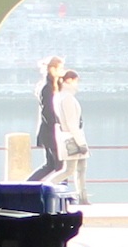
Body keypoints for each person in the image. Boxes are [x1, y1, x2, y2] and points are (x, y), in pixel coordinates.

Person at [53, 65, 88, 200]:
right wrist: (81, 143)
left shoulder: (60, 96)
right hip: (72, 137)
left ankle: (83, 197)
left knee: (80, 168)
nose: (77, 83)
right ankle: (45, 187)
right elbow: (72, 122)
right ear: (69, 80)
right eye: (75, 80)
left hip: (69, 136)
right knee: (70, 170)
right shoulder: (67, 97)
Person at [30, 56, 64, 182]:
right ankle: (62, 195)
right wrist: (58, 126)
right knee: (61, 167)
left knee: (50, 165)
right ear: (52, 69)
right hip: (50, 132)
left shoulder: (51, 85)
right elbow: (48, 111)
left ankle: (26, 186)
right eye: (60, 68)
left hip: (49, 131)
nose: (62, 70)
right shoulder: (47, 87)